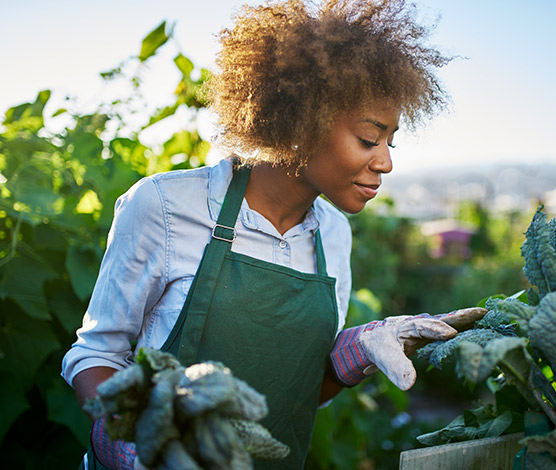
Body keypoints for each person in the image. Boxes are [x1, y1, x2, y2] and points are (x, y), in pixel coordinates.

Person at [62, 1, 481, 468]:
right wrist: (129, 444)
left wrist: (353, 356)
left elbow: (297, 395)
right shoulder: (165, 206)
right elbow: (96, 355)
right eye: (368, 138)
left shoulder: (334, 236)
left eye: (391, 141)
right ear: (302, 121)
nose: (385, 162)